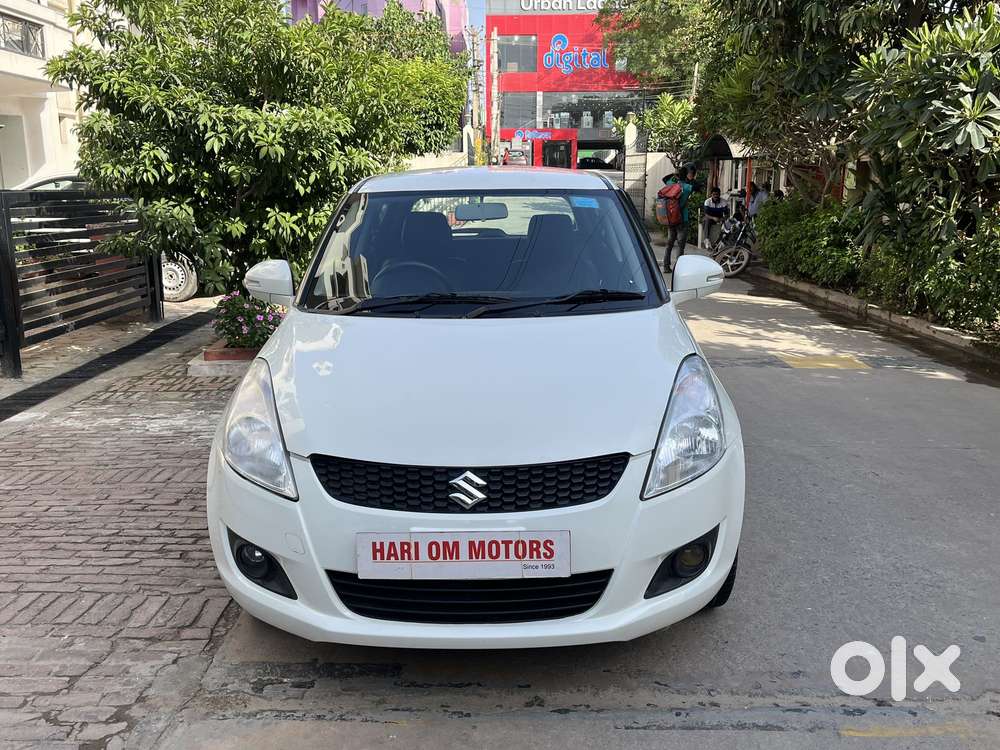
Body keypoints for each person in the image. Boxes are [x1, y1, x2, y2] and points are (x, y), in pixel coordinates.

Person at [658, 170, 693, 272]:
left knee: (669, 244)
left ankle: (666, 266)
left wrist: (674, 176)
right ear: (686, 176)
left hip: (670, 218)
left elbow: (665, 179)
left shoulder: (670, 185)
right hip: (682, 219)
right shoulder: (687, 188)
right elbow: (694, 187)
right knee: (680, 245)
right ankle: (678, 269)